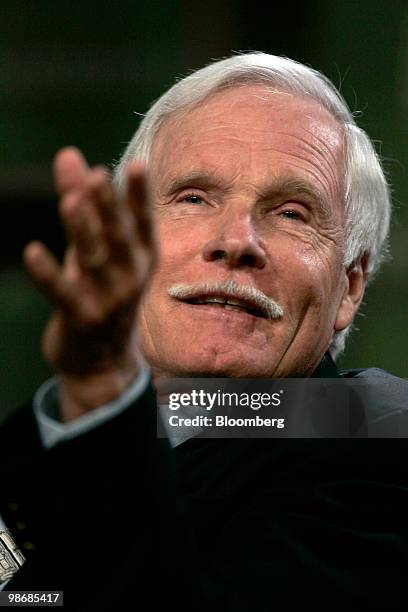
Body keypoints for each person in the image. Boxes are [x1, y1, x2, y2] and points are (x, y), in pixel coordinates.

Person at [1, 52, 407, 610]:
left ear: (351, 287)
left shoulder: (385, 450)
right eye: (193, 197)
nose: (236, 240)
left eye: (291, 213)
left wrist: (101, 400)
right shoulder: (43, 440)